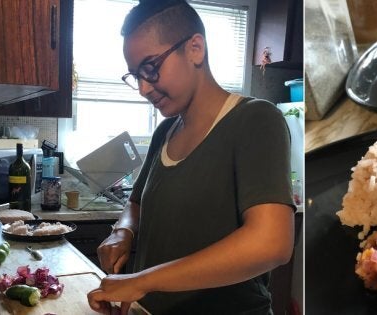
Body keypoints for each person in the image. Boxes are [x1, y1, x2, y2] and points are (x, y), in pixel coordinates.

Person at [87, 0, 296, 314]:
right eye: (135, 75)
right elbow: (136, 203)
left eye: (150, 67)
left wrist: (143, 280)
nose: (143, 88)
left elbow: (272, 242)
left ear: (195, 48)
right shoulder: (166, 131)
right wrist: (123, 232)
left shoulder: (256, 120)